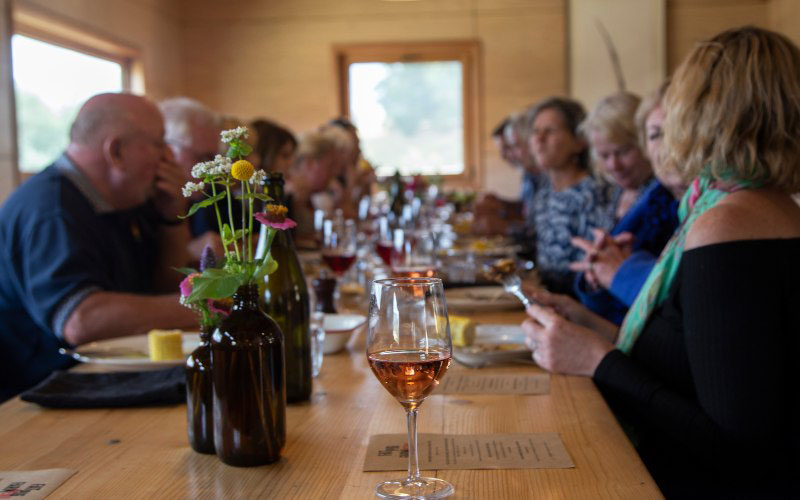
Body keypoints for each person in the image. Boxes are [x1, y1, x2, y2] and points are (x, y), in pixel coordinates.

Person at [522, 26, 800, 496]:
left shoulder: (727, 224)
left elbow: (736, 450)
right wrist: (590, 327)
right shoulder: (753, 207)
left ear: (701, 113)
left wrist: (599, 360)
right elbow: (694, 363)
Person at [0, 93, 198, 402]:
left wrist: (173, 220)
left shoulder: (126, 202)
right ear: (116, 151)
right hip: (45, 397)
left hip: (113, 380)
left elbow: (164, 289)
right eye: (160, 144)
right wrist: (211, 304)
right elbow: (81, 321)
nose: (168, 159)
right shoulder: (52, 209)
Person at [568, 91, 679, 324]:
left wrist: (616, 271)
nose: (614, 165)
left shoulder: (669, 196)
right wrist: (594, 278)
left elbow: (672, 295)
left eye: (623, 152)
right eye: (604, 155)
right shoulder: (614, 192)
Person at [527, 97, 616, 295]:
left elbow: (592, 271)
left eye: (549, 131)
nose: (539, 139)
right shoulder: (544, 192)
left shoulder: (592, 195)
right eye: (535, 131)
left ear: (579, 141)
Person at [159, 97, 223, 259]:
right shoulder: (139, 205)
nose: (213, 172)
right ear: (168, 150)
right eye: (203, 157)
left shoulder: (205, 198)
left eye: (214, 159)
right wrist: (188, 254)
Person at [285, 130, 339, 247]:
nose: (335, 171)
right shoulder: (290, 194)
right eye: (331, 165)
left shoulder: (309, 197)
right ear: (309, 163)